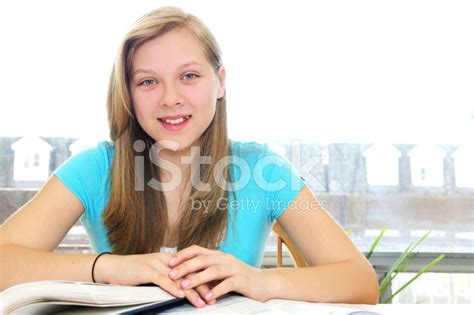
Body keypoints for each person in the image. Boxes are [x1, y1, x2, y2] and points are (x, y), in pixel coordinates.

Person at [0, 6, 379, 307]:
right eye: (148, 81)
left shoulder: (262, 169)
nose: (170, 98)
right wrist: (109, 268)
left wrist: (260, 280)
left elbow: (360, 282)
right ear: (128, 93)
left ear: (221, 82)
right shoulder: (95, 167)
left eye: (189, 76)